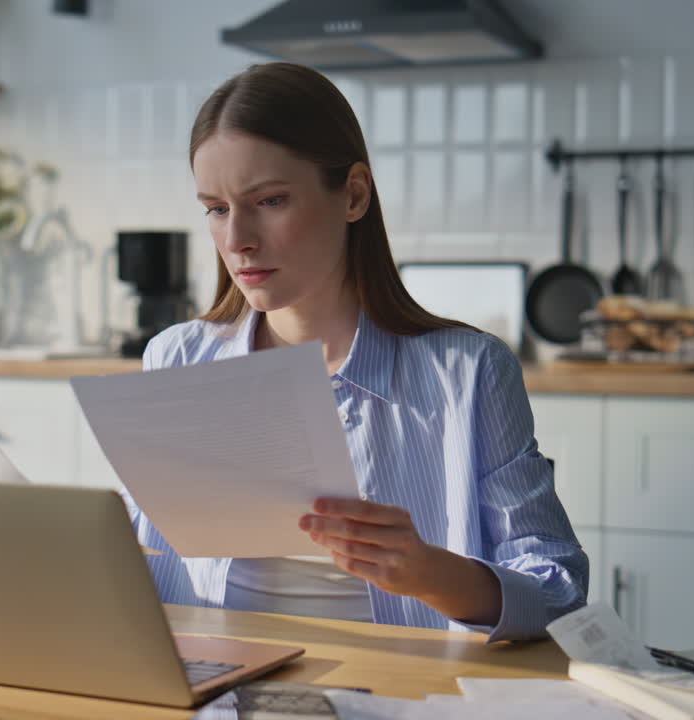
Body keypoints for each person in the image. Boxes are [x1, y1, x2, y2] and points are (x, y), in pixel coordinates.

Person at [126, 62, 586, 643]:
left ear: (353, 194)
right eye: (216, 208)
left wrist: (434, 574)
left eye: (268, 201)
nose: (237, 239)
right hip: (217, 691)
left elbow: (560, 591)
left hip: (397, 695)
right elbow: (142, 574)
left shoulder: (469, 374)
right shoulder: (176, 360)